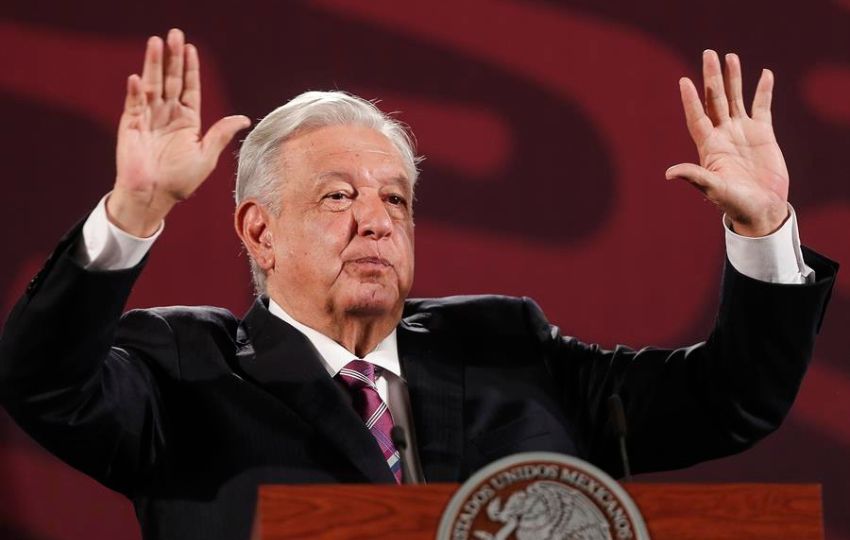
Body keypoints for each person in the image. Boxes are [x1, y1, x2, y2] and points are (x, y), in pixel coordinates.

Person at [0, 28, 837, 540]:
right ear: (258, 230)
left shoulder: (511, 344)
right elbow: (44, 382)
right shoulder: (185, 367)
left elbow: (732, 403)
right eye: (338, 196)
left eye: (393, 198)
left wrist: (764, 230)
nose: (376, 220)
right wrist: (132, 212)